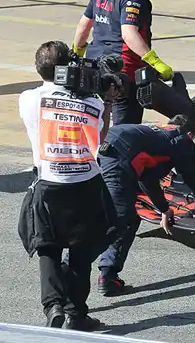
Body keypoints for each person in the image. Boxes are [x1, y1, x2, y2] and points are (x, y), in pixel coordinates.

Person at [17, 41, 117, 331]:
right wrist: (106, 101)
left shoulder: (28, 99)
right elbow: (100, 138)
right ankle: (76, 313)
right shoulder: (92, 103)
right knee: (80, 251)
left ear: (39, 69)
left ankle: (53, 306)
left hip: (48, 184)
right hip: (84, 183)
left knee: (47, 247)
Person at [95, 116, 195, 296]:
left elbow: (146, 177)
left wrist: (164, 209)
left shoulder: (155, 133)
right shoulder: (181, 139)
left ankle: (96, 273)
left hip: (99, 149)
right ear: (191, 134)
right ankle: (97, 275)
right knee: (118, 220)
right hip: (115, 157)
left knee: (115, 216)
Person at [73, 0, 172, 126]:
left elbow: (84, 25)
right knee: (124, 132)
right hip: (123, 74)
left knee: (97, 125)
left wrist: (77, 53)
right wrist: (155, 62)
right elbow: (129, 33)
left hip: (94, 69)